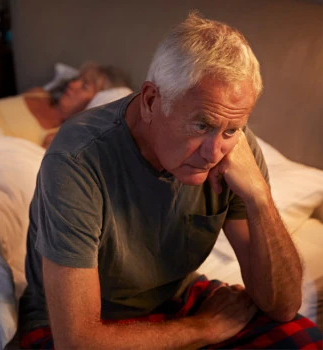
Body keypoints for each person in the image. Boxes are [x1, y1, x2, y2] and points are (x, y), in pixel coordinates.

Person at [18, 12, 323, 349]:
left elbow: (282, 306)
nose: (214, 152)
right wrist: (203, 328)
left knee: (304, 340)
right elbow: (76, 341)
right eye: (202, 125)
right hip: (78, 325)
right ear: (150, 101)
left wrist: (260, 198)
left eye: (231, 130)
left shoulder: (235, 148)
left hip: (172, 301)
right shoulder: (77, 161)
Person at [0, 62, 131, 148]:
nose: (72, 84)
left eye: (84, 86)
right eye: (77, 78)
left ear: (96, 101)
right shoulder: (39, 93)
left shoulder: (57, 137)